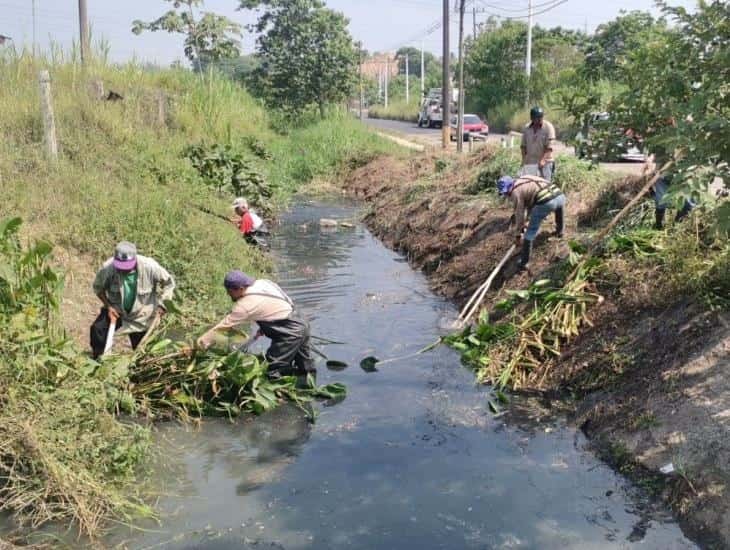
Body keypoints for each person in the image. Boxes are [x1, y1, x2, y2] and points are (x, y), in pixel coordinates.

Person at [197, 271, 315, 378]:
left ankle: (278, 397)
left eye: (229, 291)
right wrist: (264, 327)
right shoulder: (263, 282)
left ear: (240, 288)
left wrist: (199, 345)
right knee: (306, 367)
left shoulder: (244, 306)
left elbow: (221, 329)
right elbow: (278, 303)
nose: (228, 295)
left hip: (290, 333)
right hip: (301, 321)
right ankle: (310, 389)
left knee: (272, 369)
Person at [90, 241, 175, 358]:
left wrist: (162, 304)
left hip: (142, 314)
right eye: (120, 267)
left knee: (143, 350)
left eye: (126, 267)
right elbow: (98, 288)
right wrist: (109, 306)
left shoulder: (149, 266)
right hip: (116, 309)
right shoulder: (108, 268)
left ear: (135, 260)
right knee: (97, 330)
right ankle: (98, 360)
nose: (123, 271)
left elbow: (169, 283)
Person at [497, 175, 565, 270]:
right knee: (558, 207)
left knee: (530, 232)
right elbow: (532, 200)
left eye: (506, 191)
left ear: (510, 186)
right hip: (560, 196)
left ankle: (524, 262)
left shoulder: (515, 192)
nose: (506, 194)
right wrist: (527, 219)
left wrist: (518, 235)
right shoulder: (524, 179)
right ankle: (560, 231)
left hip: (547, 202)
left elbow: (519, 214)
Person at [521, 106, 556, 182]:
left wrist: (543, 160)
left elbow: (550, 147)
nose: (539, 120)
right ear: (532, 118)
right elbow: (523, 146)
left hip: (545, 163)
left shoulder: (548, 127)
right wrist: (524, 160)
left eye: (540, 117)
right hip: (531, 163)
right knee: (530, 185)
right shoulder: (527, 128)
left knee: (545, 186)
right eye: (537, 118)